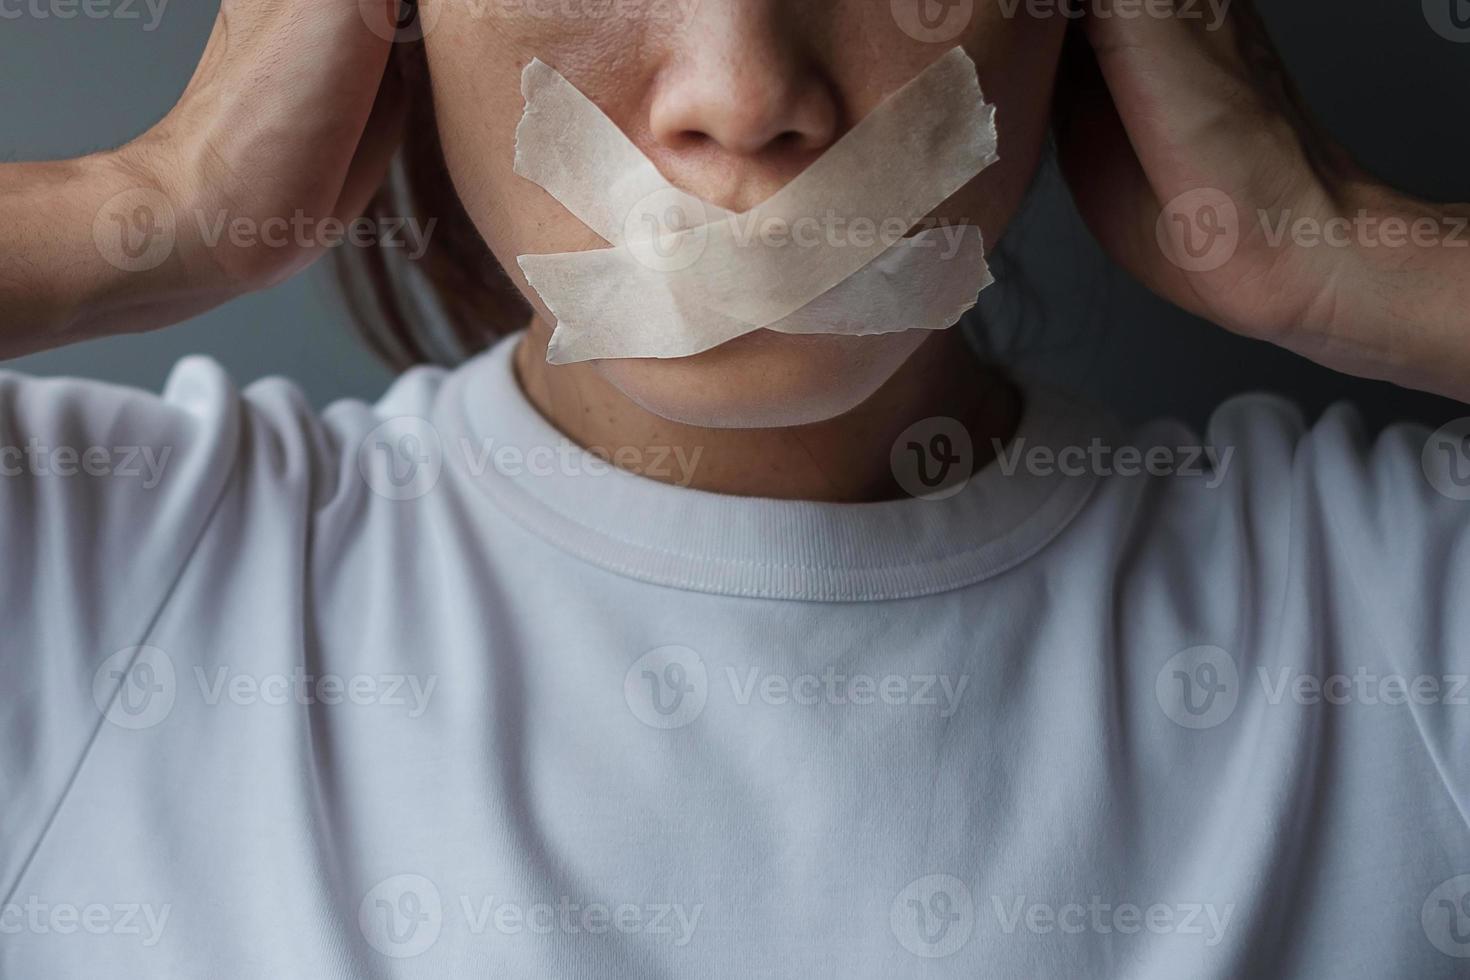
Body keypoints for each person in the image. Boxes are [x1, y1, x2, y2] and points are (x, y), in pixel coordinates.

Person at [2, 1, 1467, 976]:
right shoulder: (91, 582)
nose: (741, 95)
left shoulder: (1393, 626)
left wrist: (1342, 251)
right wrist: (148, 208)